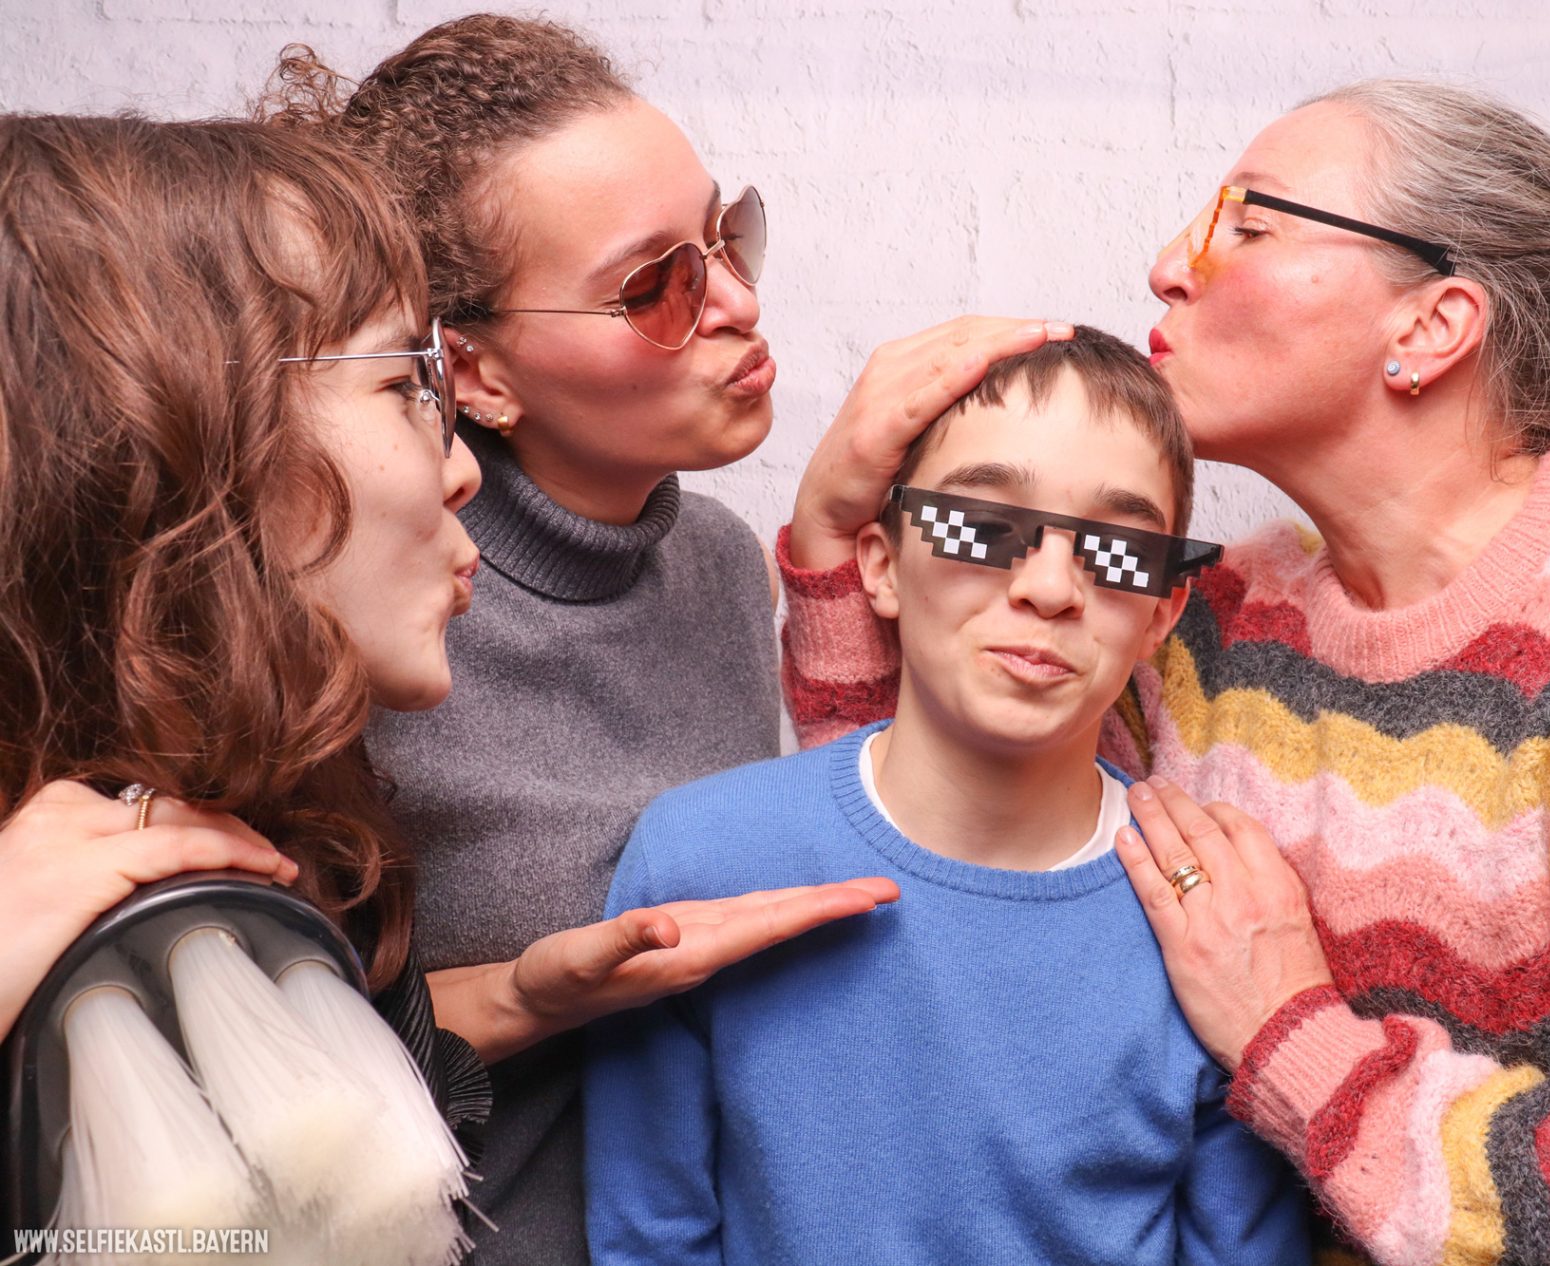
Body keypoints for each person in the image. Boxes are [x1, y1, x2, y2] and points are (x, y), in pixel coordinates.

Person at [775, 80, 1550, 1263]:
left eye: (1247, 226)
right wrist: (834, 531)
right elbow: (940, 873)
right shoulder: (1215, 635)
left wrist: (1293, 1039)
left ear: (1430, 326)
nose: (1167, 267)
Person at [0, 112, 897, 1247]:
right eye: (404, 382)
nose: (461, 468)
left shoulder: (282, 792)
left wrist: (526, 995)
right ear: (172, 439)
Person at [262, 17, 1064, 1260]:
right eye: (655, 287)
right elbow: (242, 1080)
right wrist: (522, 999)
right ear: (473, 375)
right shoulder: (355, 619)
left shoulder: (716, 564)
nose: (739, 303)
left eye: (724, 238)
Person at [585, 327, 1309, 1265]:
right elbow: (648, 1238)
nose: (1050, 587)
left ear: (1162, 612)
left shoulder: (1213, 919)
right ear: (881, 567)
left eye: (1118, 550)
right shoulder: (704, 856)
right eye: (984, 526)